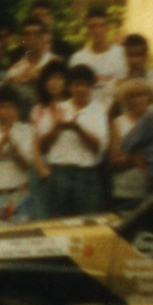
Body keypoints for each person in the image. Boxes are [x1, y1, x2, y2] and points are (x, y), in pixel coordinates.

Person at [36, 64, 109, 217]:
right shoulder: (57, 108)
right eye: (77, 84)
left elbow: (98, 148)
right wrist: (57, 127)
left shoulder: (99, 110)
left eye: (85, 85)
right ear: (69, 86)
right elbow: (41, 147)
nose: (81, 89)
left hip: (87, 176)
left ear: (92, 87)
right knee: (58, 226)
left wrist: (77, 128)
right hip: (59, 173)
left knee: (86, 225)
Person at [0, 84, 44, 222]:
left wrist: (11, 143)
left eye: (10, 107)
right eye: (1, 107)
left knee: (19, 237)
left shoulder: (26, 130)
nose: (5, 112)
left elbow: (26, 164)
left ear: (17, 108)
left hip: (18, 192)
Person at [108, 79, 153, 211]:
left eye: (142, 95)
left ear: (150, 97)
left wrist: (131, 154)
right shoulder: (118, 123)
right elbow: (115, 161)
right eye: (133, 96)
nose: (138, 100)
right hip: (125, 191)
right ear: (125, 100)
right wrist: (139, 157)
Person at [69, 7, 126, 103]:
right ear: (88, 30)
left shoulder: (122, 54)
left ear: (108, 27)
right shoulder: (78, 59)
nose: (97, 30)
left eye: (101, 25)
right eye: (93, 27)